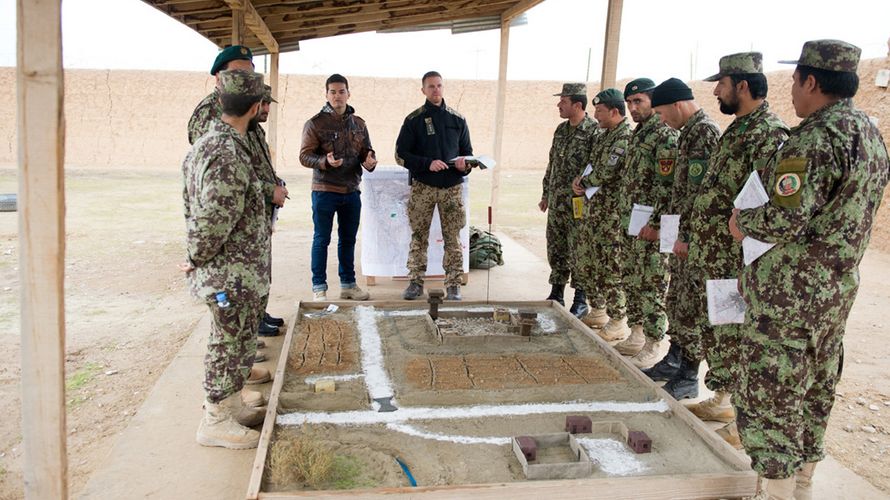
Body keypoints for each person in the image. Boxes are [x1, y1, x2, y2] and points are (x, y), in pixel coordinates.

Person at [729, 40, 889, 499]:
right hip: (834, 290)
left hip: (790, 296)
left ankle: (777, 493)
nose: (792, 91)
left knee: (771, 393)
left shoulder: (814, 139)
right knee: (816, 388)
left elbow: (785, 217)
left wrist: (743, 224)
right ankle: (802, 486)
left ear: (812, 81)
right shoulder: (869, 134)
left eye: (795, 80)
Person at [676, 53, 788, 445]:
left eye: (721, 83)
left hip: (736, 259)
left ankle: (744, 420)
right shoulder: (739, 129)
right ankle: (723, 400)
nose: (716, 91)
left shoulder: (769, 135)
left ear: (743, 85)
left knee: (739, 338)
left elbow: (771, 205)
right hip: (714, 255)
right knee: (719, 334)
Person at [181, 70, 271, 449]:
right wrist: (193, 257)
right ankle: (215, 418)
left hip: (238, 273)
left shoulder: (217, 143)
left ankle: (231, 405)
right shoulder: (225, 151)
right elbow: (214, 220)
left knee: (238, 342)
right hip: (229, 275)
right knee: (227, 343)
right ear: (253, 107)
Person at [188, 45, 287, 337]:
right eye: (239, 73)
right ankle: (240, 352)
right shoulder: (212, 112)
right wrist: (268, 190)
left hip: (254, 213)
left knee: (252, 280)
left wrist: (273, 182)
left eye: (251, 73)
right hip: (234, 218)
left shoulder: (244, 108)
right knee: (232, 295)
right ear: (219, 76)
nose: (248, 79)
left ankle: (253, 328)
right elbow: (225, 175)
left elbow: (254, 158)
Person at [641, 78, 720, 389]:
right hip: (681, 232)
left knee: (692, 305)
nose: (661, 120)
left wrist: (687, 236)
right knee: (679, 301)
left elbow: (700, 194)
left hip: (695, 237)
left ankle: (688, 373)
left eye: (661, 112)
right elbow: (680, 190)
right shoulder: (687, 134)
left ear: (677, 104)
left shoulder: (704, 133)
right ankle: (677, 359)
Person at [613, 78, 678, 367]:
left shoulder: (664, 134)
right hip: (632, 222)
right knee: (633, 279)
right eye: (629, 103)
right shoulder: (637, 134)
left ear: (653, 100)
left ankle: (654, 343)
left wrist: (659, 226)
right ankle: (637, 332)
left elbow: (668, 187)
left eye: (638, 101)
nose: (632, 108)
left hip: (652, 227)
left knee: (652, 283)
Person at [395, 71, 473, 301]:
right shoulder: (413, 120)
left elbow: (467, 153)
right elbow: (401, 155)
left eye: (439, 86)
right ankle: (415, 282)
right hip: (423, 187)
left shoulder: (457, 120)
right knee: (419, 236)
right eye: (431, 86)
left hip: (451, 188)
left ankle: (454, 284)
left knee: (453, 238)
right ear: (423, 90)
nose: (436, 90)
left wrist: (463, 165)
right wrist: (427, 164)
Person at [300, 74, 376, 301]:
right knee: (321, 238)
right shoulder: (315, 123)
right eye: (332, 92)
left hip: (351, 190)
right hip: (325, 190)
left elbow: (367, 152)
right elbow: (304, 156)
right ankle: (319, 288)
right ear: (326, 95)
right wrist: (325, 162)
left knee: (348, 239)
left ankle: (348, 285)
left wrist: (370, 161)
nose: (337, 96)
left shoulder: (359, 124)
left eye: (341, 91)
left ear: (348, 94)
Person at [572, 88, 630, 339]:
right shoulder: (604, 135)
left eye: (599, 110)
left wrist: (583, 183)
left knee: (610, 268)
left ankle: (618, 320)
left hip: (611, 216)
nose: (595, 114)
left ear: (614, 112)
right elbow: (592, 166)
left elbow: (607, 171)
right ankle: (599, 309)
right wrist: (580, 181)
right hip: (593, 211)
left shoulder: (623, 137)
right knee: (589, 263)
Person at [539, 83, 600, 317]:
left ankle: (581, 299)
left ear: (577, 104)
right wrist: (546, 194)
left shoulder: (594, 131)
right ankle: (557, 292)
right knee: (556, 246)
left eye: (563, 101)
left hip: (580, 204)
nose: (558, 105)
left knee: (579, 250)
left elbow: (597, 168)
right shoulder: (561, 130)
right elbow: (552, 164)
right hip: (558, 201)